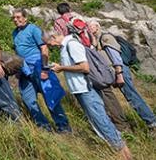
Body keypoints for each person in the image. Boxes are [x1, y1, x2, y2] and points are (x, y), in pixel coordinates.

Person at [44, 31, 132, 160]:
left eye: (50, 43)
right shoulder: (66, 46)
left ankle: (123, 152)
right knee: (96, 119)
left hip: (85, 88)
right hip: (80, 89)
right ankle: (116, 148)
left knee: (100, 119)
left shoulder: (72, 45)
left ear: (53, 37)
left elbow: (84, 67)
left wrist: (61, 68)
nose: (51, 46)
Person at [55, 3, 130, 131]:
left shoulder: (59, 22)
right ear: (70, 9)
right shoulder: (78, 18)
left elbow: (60, 40)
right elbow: (93, 41)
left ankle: (110, 124)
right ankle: (120, 124)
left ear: (58, 11)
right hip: (91, 55)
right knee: (105, 90)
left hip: (77, 58)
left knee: (93, 91)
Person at [89, 20, 156, 131]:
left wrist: (119, 74)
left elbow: (115, 56)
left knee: (132, 96)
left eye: (90, 27)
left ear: (97, 27)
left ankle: (152, 123)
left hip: (119, 71)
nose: (88, 29)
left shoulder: (106, 37)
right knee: (129, 96)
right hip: (112, 73)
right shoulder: (96, 41)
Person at [11, 8, 70, 132]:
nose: (16, 20)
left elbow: (44, 48)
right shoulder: (14, 33)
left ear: (25, 18)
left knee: (50, 96)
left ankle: (63, 127)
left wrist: (44, 68)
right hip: (24, 68)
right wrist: (18, 70)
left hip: (38, 64)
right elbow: (17, 52)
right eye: (14, 18)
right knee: (28, 99)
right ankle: (44, 127)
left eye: (18, 17)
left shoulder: (33, 29)